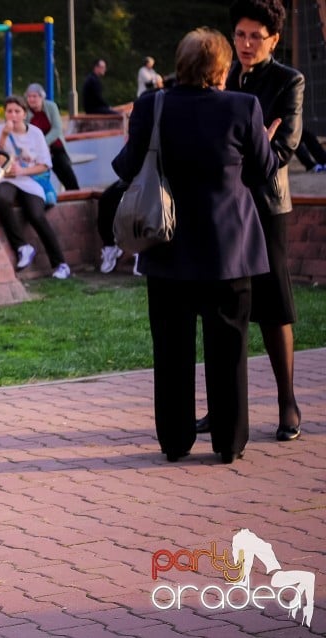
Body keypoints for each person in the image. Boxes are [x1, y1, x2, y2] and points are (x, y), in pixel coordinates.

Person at [112, 28, 278, 464]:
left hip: (167, 250)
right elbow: (264, 172)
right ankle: (229, 441)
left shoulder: (153, 106)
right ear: (221, 69)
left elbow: (127, 167)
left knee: (171, 352)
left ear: (181, 65)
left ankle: (175, 440)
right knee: (230, 350)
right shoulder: (244, 107)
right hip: (229, 251)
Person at [198, 0, 305, 442]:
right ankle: (222, 407)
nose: (244, 44)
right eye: (239, 35)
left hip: (266, 206)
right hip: (222, 204)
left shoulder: (287, 80)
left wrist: (249, 149)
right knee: (221, 307)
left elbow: (284, 147)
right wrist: (251, 144)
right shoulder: (218, 74)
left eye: (255, 36)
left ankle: (287, 403)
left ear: (274, 39)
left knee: (274, 305)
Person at [0, 96, 71, 280]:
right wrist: (3, 136)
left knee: (36, 214)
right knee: (2, 200)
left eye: (17, 111)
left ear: (24, 113)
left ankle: (60, 263)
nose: (13, 115)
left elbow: (44, 165)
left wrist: (23, 171)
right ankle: (22, 247)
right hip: (7, 179)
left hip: (31, 179)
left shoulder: (35, 133)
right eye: (9, 111)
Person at [25, 82, 80, 191]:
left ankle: (75, 193)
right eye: (29, 96)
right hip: (35, 151)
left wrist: (43, 143)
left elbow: (57, 129)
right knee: (36, 176)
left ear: (41, 97)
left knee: (65, 169)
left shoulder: (51, 106)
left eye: (34, 96)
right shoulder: (25, 112)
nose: (32, 99)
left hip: (55, 147)